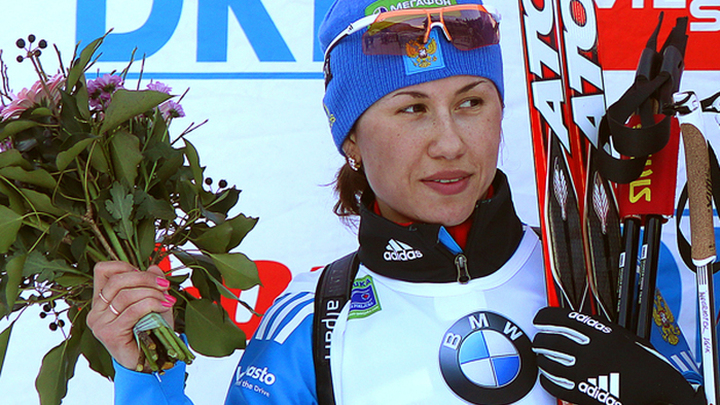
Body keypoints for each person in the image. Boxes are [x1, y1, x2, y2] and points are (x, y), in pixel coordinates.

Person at [87, 0, 705, 404]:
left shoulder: (615, 280)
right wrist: (147, 380)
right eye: (412, 109)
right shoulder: (310, 322)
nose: (450, 142)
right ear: (351, 139)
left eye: (471, 102)